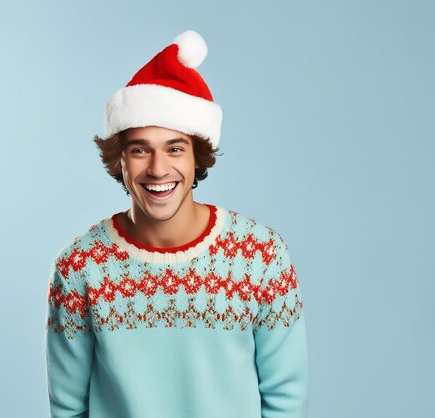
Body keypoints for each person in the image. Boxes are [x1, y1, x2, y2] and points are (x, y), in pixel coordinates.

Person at [46, 30, 308, 418]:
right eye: (139, 150)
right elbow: (68, 409)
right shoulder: (80, 267)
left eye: (175, 148)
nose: (157, 168)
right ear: (119, 158)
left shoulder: (261, 256)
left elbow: (286, 399)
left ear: (197, 157)